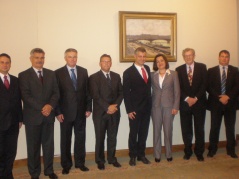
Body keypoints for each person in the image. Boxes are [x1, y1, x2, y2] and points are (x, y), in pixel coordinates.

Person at [18, 48, 59, 179]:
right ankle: (34, 173)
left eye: (42, 57)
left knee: (49, 146)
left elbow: (56, 93)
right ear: (31, 58)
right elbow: (26, 96)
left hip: (48, 117)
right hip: (32, 118)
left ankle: (49, 170)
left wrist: (50, 106)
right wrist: (43, 107)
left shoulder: (51, 74)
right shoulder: (23, 75)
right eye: (37, 57)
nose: (39, 60)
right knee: (33, 147)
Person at [55, 48, 92, 175]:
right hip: (65, 114)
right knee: (65, 140)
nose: (73, 59)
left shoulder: (83, 71)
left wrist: (88, 108)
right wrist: (58, 112)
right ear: (65, 58)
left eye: (75, 56)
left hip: (81, 112)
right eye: (70, 57)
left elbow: (88, 92)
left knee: (81, 139)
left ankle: (80, 163)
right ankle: (66, 165)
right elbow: (56, 95)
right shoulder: (58, 73)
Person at [89, 54, 123, 170]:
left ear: (111, 63)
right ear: (100, 63)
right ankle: (100, 160)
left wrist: (114, 106)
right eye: (104, 61)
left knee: (112, 137)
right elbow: (95, 96)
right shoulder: (93, 77)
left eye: (108, 61)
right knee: (100, 137)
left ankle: (112, 158)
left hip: (115, 112)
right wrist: (108, 107)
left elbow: (121, 93)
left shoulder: (117, 76)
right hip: (100, 113)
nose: (106, 63)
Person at [176, 48, 207, 162]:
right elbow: (178, 87)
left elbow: (204, 84)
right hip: (185, 104)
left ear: (194, 55)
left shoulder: (202, 67)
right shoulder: (178, 70)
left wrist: (195, 98)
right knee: (186, 130)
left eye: (190, 55)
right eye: (186, 55)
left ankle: (199, 152)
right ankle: (188, 151)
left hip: (199, 103)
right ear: (183, 57)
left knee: (199, 129)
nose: (188, 57)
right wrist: (187, 98)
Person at [207, 50, 239, 158]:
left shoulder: (235, 70)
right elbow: (208, 87)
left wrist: (227, 96)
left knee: (230, 128)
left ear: (229, 58)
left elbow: (237, 86)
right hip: (216, 103)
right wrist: (219, 97)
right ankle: (212, 150)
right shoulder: (211, 71)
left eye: (226, 57)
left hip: (230, 104)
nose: (224, 58)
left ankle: (231, 150)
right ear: (218, 57)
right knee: (214, 127)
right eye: (222, 56)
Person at [123, 47, 152, 166]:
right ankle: (133, 156)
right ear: (135, 56)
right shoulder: (128, 72)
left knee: (144, 132)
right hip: (134, 109)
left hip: (147, 108)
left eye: (144, 56)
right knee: (133, 133)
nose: (142, 58)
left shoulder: (147, 68)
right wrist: (129, 110)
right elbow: (126, 92)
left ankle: (141, 154)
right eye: (140, 56)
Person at [151, 54, 180, 163]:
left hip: (169, 107)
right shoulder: (152, 75)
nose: (160, 63)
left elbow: (177, 91)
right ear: (155, 64)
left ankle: (168, 154)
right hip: (155, 107)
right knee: (156, 131)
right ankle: (157, 155)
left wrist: (176, 106)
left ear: (165, 61)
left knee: (168, 131)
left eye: (161, 60)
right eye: (157, 61)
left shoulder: (173, 74)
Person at [0, 53, 23, 179]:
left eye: (7, 62)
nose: (5, 65)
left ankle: (8, 174)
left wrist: (20, 118)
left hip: (14, 123)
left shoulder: (15, 80)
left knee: (11, 152)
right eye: (2, 62)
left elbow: (18, 101)